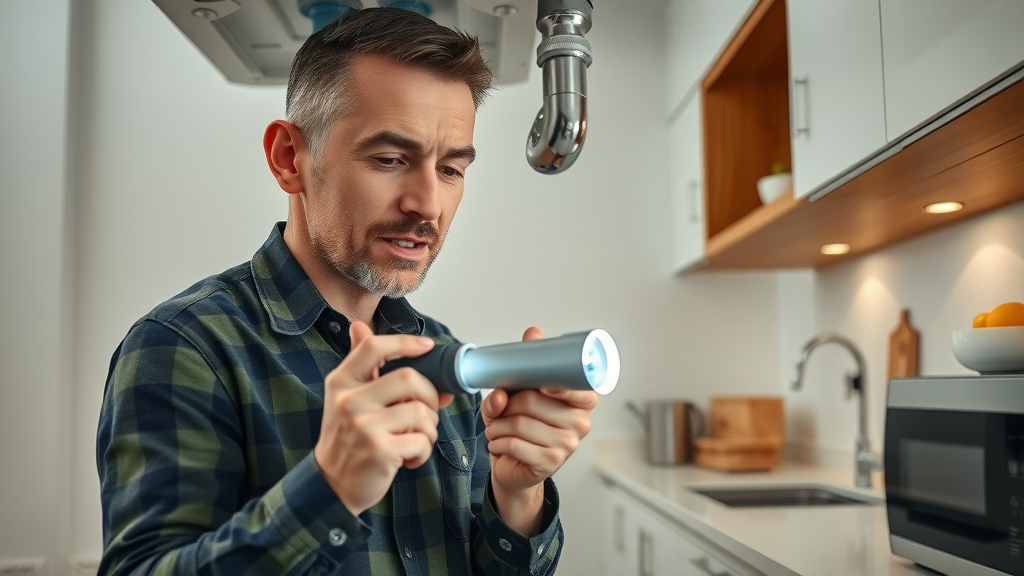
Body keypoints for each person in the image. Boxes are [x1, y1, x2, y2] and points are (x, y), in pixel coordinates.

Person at [95, 6, 598, 576]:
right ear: (290, 159)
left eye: (452, 170)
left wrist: (518, 498)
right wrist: (329, 489)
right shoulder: (186, 349)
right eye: (389, 159)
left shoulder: (441, 354)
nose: (427, 204)